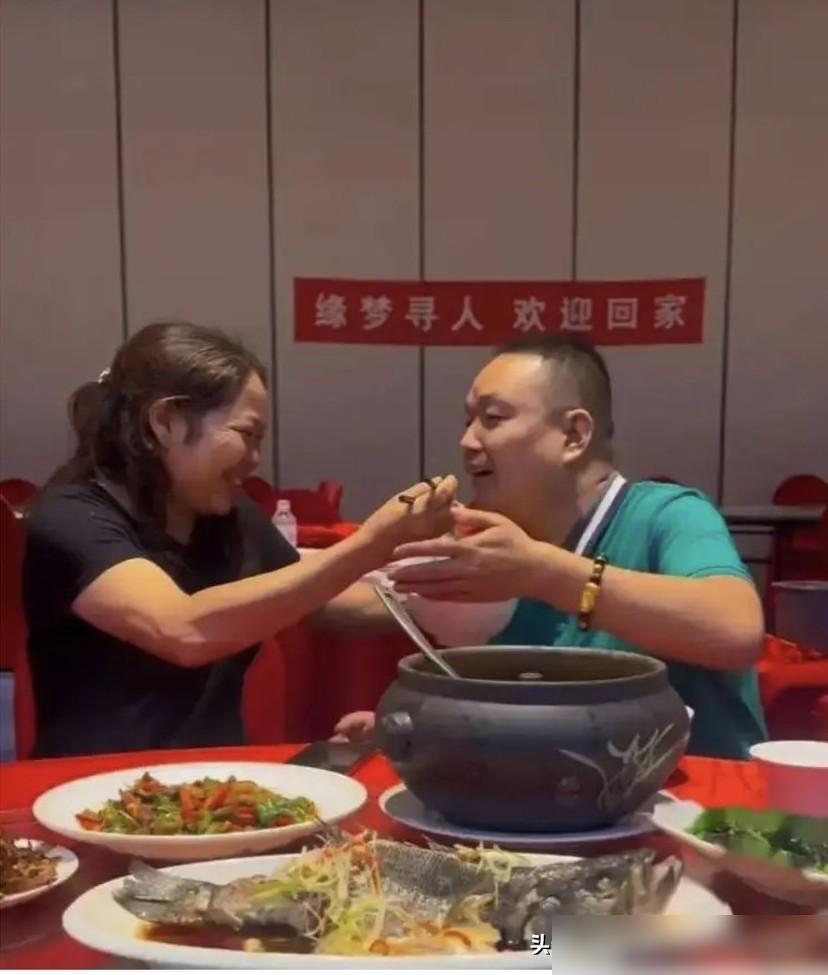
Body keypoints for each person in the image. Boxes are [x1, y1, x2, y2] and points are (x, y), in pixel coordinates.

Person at [23, 321, 457, 757]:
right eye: (246, 435)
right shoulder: (73, 515)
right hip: (91, 784)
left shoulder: (226, 513)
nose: (254, 460)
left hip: (213, 783)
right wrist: (372, 544)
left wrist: (455, 597)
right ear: (165, 421)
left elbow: (314, 598)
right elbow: (181, 629)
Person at [334, 337, 767, 759]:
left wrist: (542, 574)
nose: (468, 442)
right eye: (468, 422)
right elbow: (360, 603)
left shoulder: (667, 514)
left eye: (493, 418)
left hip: (704, 799)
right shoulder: (493, 544)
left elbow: (736, 630)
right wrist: (427, 730)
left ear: (574, 435)